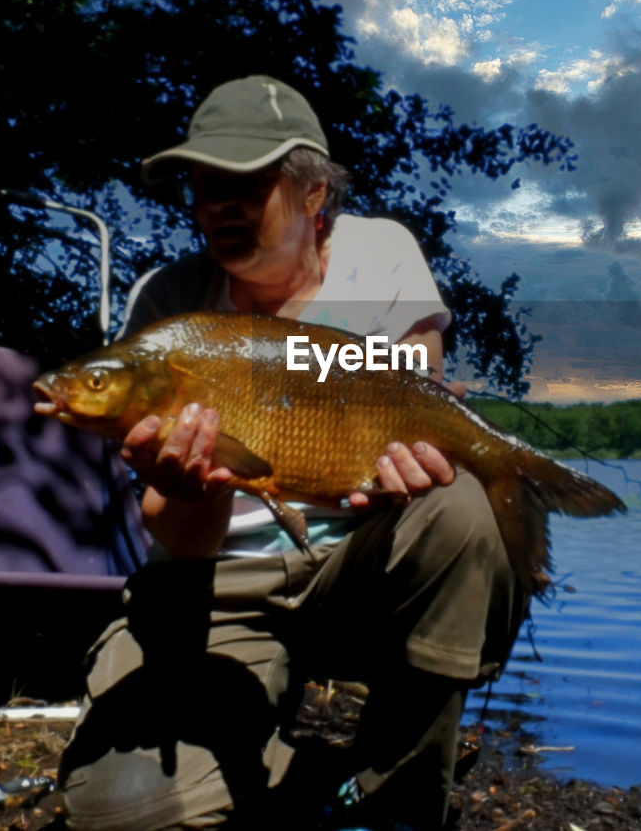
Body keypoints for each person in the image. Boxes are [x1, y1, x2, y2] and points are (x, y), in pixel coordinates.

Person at [57, 76, 527, 831]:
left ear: (315, 196)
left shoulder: (383, 257)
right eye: (205, 186)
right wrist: (196, 490)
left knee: (461, 506)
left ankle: (399, 800)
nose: (219, 205)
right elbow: (171, 535)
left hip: (356, 571)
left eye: (246, 183)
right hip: (218, 586)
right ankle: (330, 780)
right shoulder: (168, 310)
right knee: (117, 814)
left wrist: (410, 480)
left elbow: (417, 411)